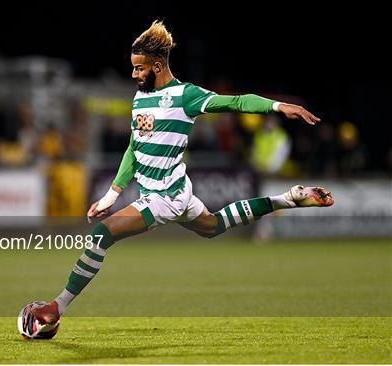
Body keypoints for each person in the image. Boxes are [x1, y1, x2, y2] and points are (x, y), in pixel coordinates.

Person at [21, 20, 333, 333]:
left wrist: (277, 106)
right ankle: (288, 199)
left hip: (166, 196)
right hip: (172, 190)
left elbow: (235, 102)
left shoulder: (186, 96)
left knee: (101, 235)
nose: (134, 75)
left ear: (158, 65)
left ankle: (56, 307)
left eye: (139, 69)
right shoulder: (140, 98)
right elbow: (134, 147)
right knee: (213, 226)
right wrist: (111, 196)